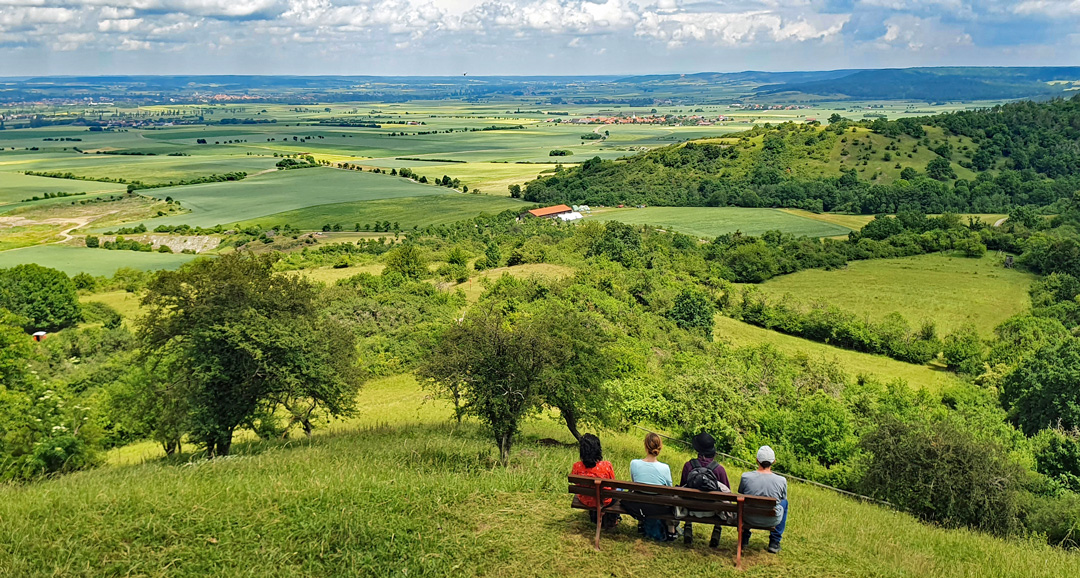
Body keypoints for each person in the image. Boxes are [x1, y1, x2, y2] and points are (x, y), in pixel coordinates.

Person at [680, 432, 731, 547]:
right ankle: (717, 530)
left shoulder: (688, 466)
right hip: (713, 511)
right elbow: (727, 495)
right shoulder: (719, 470)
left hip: (690, 509)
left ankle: (688, 525)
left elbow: (683, 488)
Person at [625, 432, 677, 541]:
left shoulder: (634, 463)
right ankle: (671, 532)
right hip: (658, 507)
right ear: (660, 448)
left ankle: (641, 524)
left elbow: (634, 483)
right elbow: (669, 490)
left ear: (645, 446)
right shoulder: (665, 468)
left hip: (638, 505)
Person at [738, 446, 788, 554]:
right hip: (771, 519)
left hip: (748, 517)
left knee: (745, 501)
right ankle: (774, 542)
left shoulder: (746, 477)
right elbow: (783, 498)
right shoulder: (781, 480)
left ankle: (744, 537)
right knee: (784, 503)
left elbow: (741, 492)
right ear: (774, 461)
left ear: (757, 460)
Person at [570, 433, 620, 529]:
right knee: (619, 491)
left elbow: (577, 483)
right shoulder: (606, 466)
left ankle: (595, 516)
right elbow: (613, 486)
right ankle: (612, 518)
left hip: (585, 500)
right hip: (604, 501)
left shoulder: (577, 466)